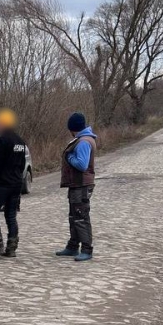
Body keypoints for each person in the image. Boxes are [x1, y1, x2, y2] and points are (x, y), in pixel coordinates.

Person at [0, 109, 27, 258]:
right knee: (11, 216)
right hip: (16, 183)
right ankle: (12, 247)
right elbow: (22, 164)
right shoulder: (20, 141)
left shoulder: (2, 141)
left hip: (2, 184)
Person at [55, 112, 97, 262]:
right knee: (74, 217)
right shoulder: (83, 139)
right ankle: (73, 247)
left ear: (73, 128)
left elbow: (82, 164)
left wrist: (69, 157)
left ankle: (87, 249)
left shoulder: (84, 142)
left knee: (81, 217)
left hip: (81, 185)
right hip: (77, 185)